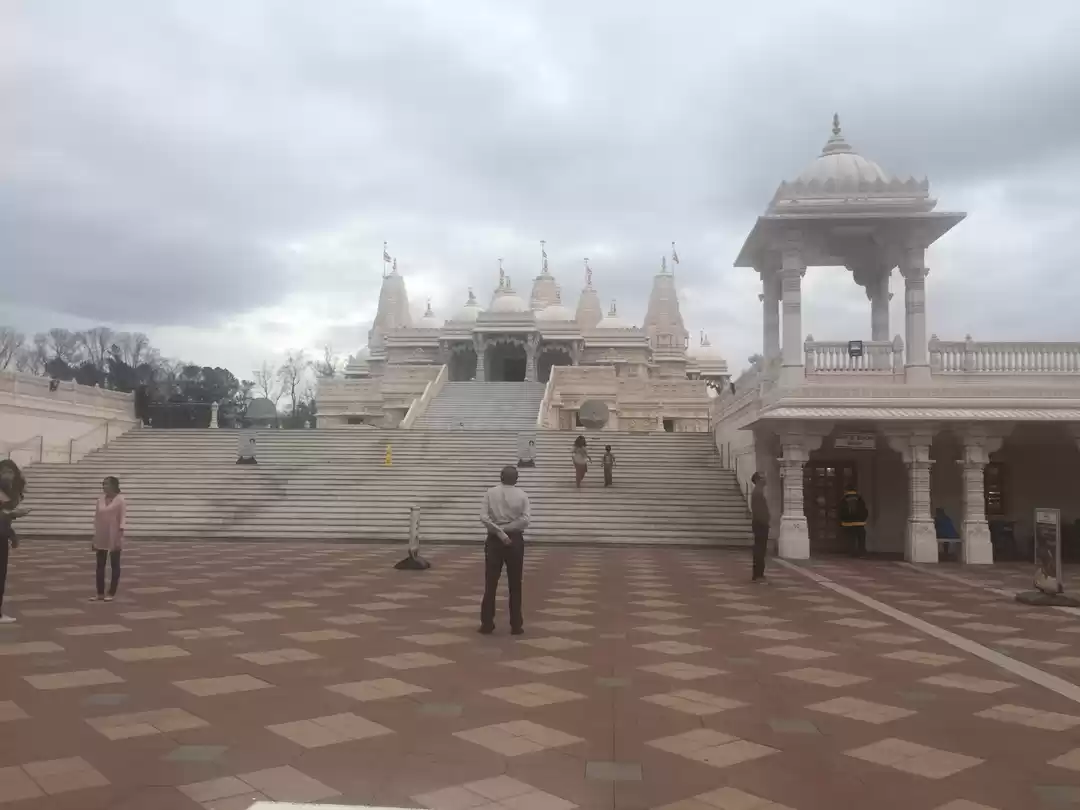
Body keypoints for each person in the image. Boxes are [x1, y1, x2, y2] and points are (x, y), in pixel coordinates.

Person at [479, 465, 531, 636]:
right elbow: (525, 520)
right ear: (516, 479)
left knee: (491, 583)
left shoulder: (490, 493)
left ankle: (487, 623)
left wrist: (500, 532)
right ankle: (516, 624)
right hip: (515, 540)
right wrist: (508, 530)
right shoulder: (522, 495)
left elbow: (484, 518)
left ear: (501, 476)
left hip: (494, 539)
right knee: (515, 584)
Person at [0, 459, 30, 624]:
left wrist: (11, 534)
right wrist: (14, 514)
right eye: (4, 471)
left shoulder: (8, 493)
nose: (7, 475)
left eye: (10, 472)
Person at [92, 476, 127, 602]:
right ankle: (100, 592)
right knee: (100, 565)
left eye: (106, 484)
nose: (104, 486)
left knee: (114, 564)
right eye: (103, 484)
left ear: (114, 485)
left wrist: (119, 535)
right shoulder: (100, 499)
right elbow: (96, 518)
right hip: (101, 534)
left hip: (114, 534)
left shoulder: (120, 500)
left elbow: (123, 518)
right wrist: (94, 536)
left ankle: (111, 592)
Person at [838, 486, 869, 557]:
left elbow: (840, 511)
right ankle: (862, 552)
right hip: (860, 523)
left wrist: (842, 520)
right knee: (861, 539)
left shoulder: (844, 499)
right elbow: (864, 509)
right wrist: (863, 518)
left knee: (851, 539)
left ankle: (852, 553)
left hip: (847, 523)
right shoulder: (859, 498)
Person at [750, 472, 770, 583]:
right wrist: (764, 522)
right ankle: (758, 575)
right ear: (758, 480)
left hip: (761, 523)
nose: (765, 479)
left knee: (761, 549)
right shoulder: (757, 493)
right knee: (760, 549)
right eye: (763, 477)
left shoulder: (759, 492)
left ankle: (759, 574)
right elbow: (759, 511)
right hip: (760, 524)